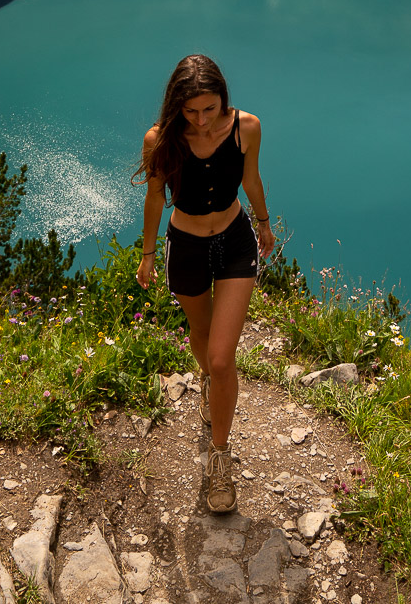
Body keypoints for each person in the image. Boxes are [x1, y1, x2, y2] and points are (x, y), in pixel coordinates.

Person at [134, 54, 275, 514]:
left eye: (209, 109)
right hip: (187, 245)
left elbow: (250, 178)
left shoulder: (246, 128)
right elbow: (155, 198)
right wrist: (148, 253)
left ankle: (219, 458)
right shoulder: (161, 139)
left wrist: (265, 223)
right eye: (191, 111)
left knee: (221, 357)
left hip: (235, 241)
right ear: (177, 106)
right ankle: (210, 384)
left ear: (223, 101)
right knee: (200, 338)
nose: (200, 120)